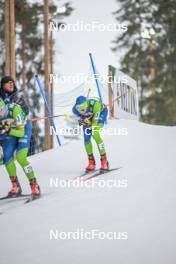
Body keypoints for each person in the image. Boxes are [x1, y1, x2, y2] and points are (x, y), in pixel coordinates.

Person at [0, 97, 41, 199]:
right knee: (7, 157)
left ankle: (34, 185)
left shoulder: (15, 110)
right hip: (10, 131)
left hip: (23, 130)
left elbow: (20, 133)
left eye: (0, 111)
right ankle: (16, 186)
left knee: (20, 157)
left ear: (4, 107)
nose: (0, 114)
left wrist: (8, 130)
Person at [72, 95, 109, 172]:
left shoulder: (95, 105)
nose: (82, 111)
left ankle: (104, 160)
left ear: (87, 105)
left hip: (100, 113)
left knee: (95, 133)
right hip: (88, 118)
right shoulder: (75, 109)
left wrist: (90, 123)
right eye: (80, 110)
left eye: (83, 109)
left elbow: (94, 122)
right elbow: (78, 118)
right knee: (86, 138)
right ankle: (91, 162)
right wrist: (82, 119)